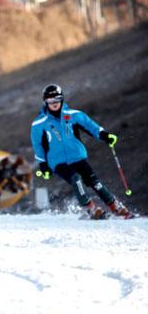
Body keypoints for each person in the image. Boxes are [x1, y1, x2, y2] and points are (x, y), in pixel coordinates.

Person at [30, 84, 133, 219]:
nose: (54, 104)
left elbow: (91, 127)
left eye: (57, 100)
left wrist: (105, 136)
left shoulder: (74, 115)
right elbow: (38, 146)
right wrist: (43, 166)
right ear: (45, 102)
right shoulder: (39, 124)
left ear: (62, 99)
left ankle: (115, 206)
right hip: (57, 161)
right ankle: (91, 208)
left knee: (94, 182)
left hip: (77, 156)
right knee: (75, 179)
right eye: (50, 101)